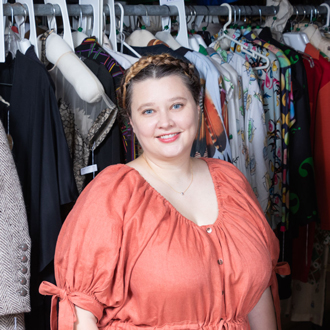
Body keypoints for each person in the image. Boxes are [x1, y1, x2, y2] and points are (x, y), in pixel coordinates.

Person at [39, 54, 289, 330]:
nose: (165, 122)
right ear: (131, 123)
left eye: (177, 105)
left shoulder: (231, 181)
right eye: (148, 111)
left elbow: (257, 291)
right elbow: (81, 314)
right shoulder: (111, 195)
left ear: (197, 108)